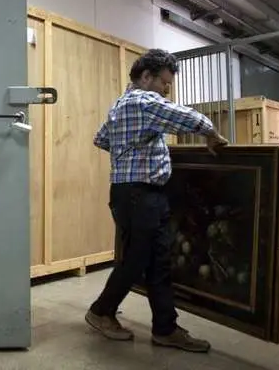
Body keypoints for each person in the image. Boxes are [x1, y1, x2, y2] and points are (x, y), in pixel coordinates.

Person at [86, 49, 228, 353]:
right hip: (141, 194)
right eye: (164, 83)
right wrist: (212, 134)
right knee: (138, 260)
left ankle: (165, 328)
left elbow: (101, 139)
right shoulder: (143, 101)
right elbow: (187, 117)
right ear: (146, 76)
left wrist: (130, 151)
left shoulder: (120, 104)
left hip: (133, 193)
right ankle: (101, 311)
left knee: (156, 261)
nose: (166, 90)